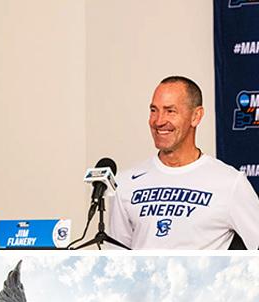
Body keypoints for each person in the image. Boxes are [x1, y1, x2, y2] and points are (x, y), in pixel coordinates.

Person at [109, 76, 259, 249]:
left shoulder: (230, 183)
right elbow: (116, 258)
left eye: (170, 111)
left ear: (196, 116)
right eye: (153, 110)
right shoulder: (126, 183)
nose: (159, 121)